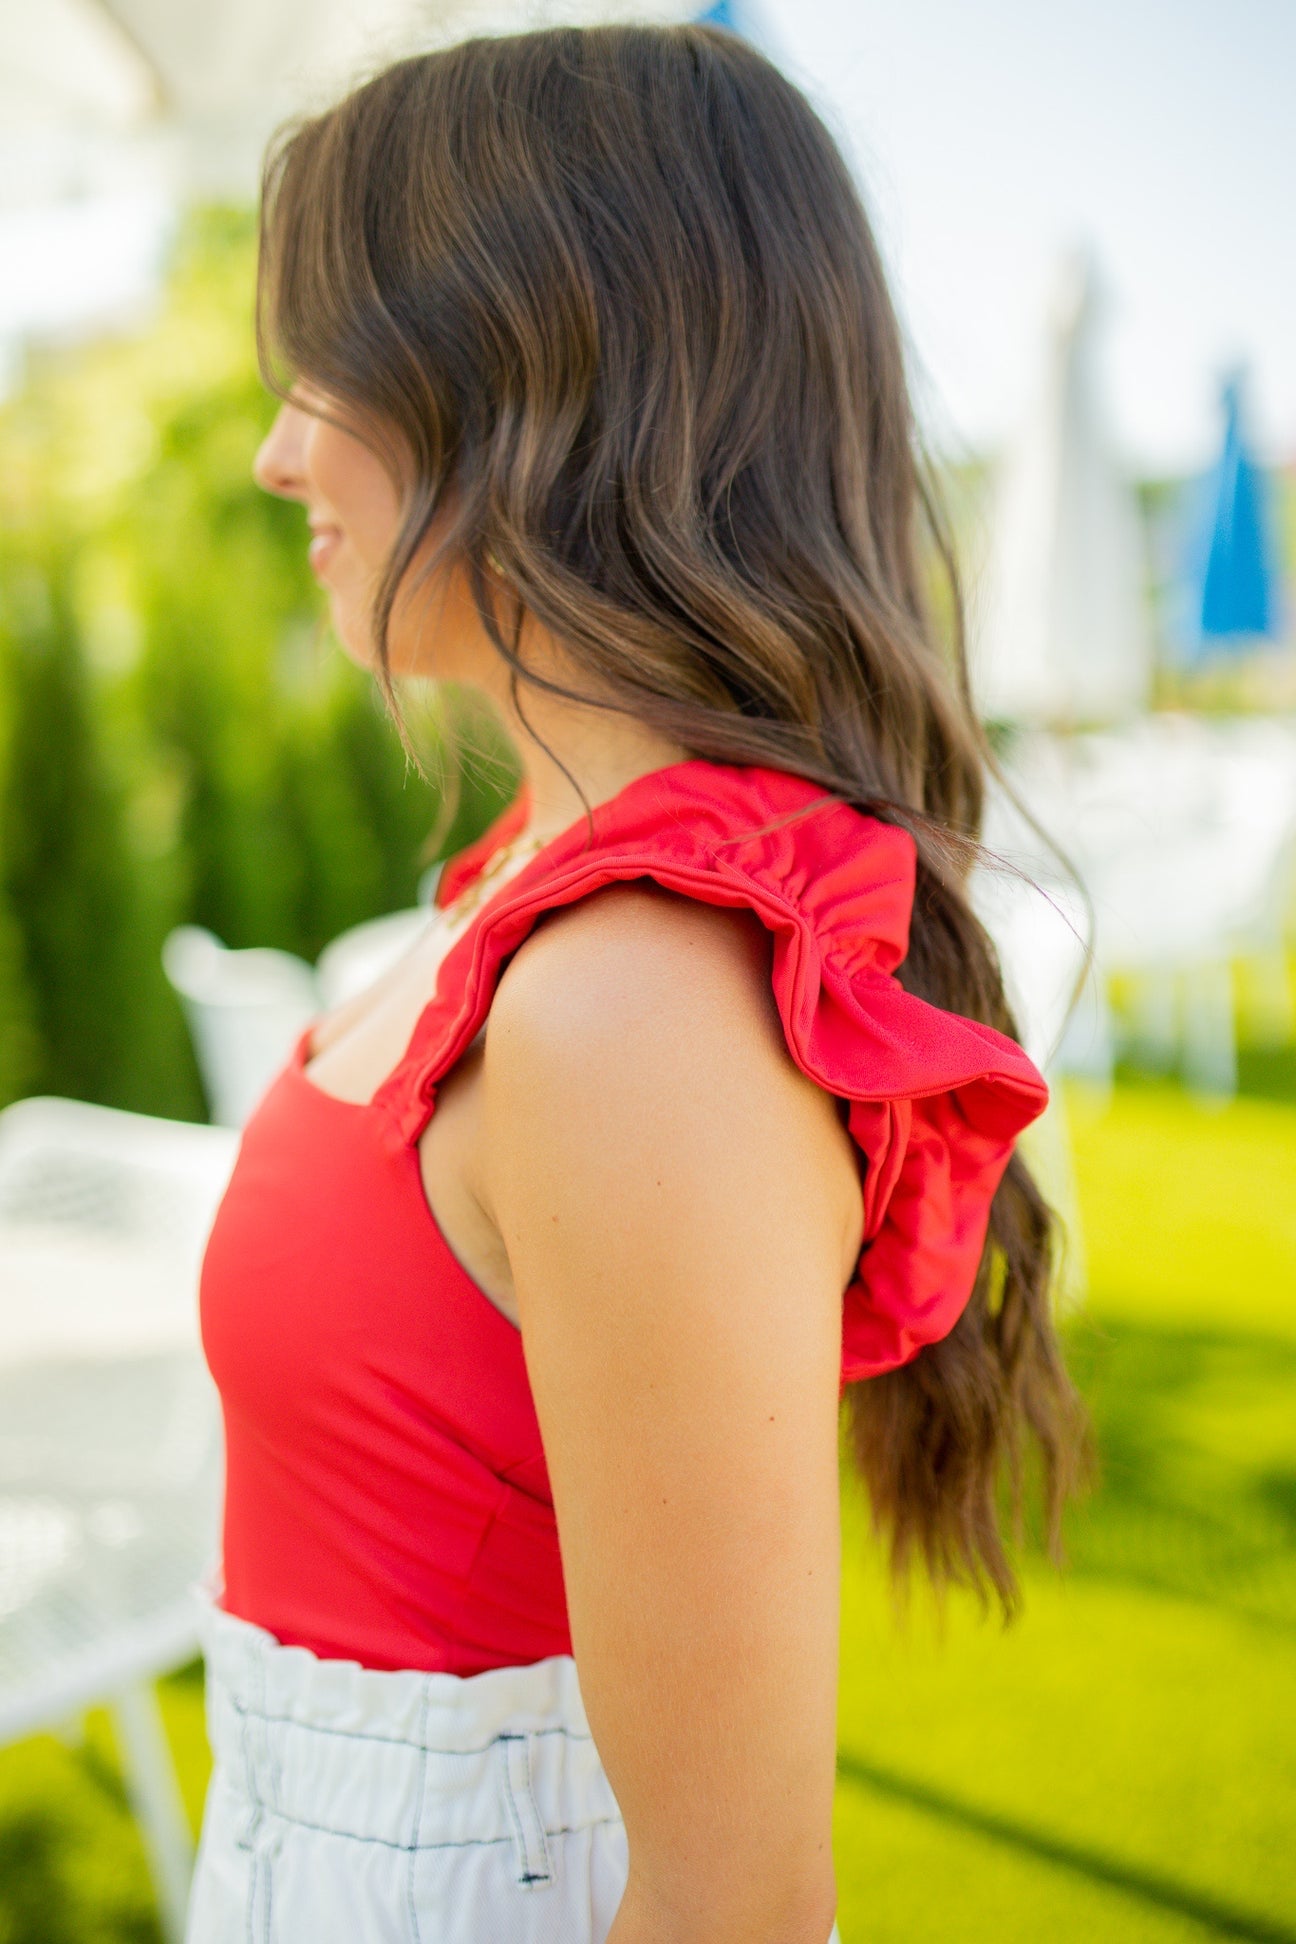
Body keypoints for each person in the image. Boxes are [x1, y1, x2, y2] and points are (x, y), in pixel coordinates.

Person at [189, 24, 1086, 1944]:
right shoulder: (546, 898)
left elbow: (736, 1906)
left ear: (532, 377)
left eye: (322, 370)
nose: (276, 451)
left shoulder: (635, 1005)